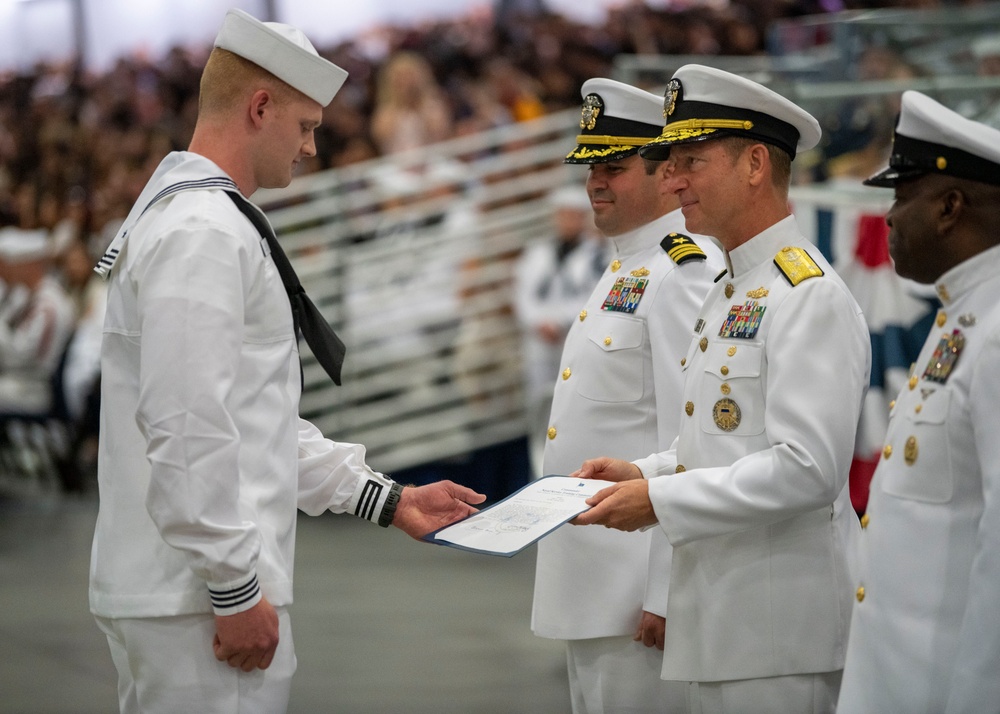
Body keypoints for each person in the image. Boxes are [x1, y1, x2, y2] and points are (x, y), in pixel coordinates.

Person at [87, 10, 484, 714]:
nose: (310, 148)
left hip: (193, 589)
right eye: (304, 126)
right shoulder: (203, 232)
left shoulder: (202, 219)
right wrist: (233, 587)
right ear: (260, 106)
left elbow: (251, 420)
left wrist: (385, 499)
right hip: (198, 600)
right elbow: (187, 427)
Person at [571, 64, 870, 714]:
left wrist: (659, 498)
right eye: (671, 160)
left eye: (691, 160)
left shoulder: (806, 295)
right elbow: (721, 441)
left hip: (780, 630)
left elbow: (808, 470)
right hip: (727, 620)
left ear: (756, 164)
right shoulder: (731, 287)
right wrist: (643, 470)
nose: (672, 178)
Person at [531, 77, 722, 714]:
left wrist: (667, 592)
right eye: (590, 167)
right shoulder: (626, 266)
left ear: (667, 172)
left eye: (613, 166)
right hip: (590, 578)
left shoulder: (680, 272)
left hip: (633, 586)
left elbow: (691, 440)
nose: (595, 183)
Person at [837, 91, 1000, 714]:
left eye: (901, 197)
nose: (889, 217)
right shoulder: (961, 315)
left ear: (950, 207)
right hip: (897, 678)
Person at [514, 183, 603, 478]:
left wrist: (562, 322)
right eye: (563, 214)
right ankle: (537, 471)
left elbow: (592, 295)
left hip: (572, 337)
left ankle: (571, 470)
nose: (568, 220)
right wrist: (539, 322)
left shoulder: (597, 254)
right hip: (540, 343)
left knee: (574, 406)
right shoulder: (538, 252)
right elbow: (523, 294)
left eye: (574, 215)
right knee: (539, 409)